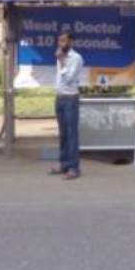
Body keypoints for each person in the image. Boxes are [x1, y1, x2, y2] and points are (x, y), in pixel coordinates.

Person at [51, 29, 84, 180]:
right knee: (63, 133)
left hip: (71, 99)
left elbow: (69, 78)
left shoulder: (75, 58)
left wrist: (62, 60)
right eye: (59, 41)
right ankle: (63, 163)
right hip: (60, 98)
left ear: (71, 42)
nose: (61, 43)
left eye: (64, 40)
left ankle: (73, 168)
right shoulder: (60, 57)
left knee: (71, 134)